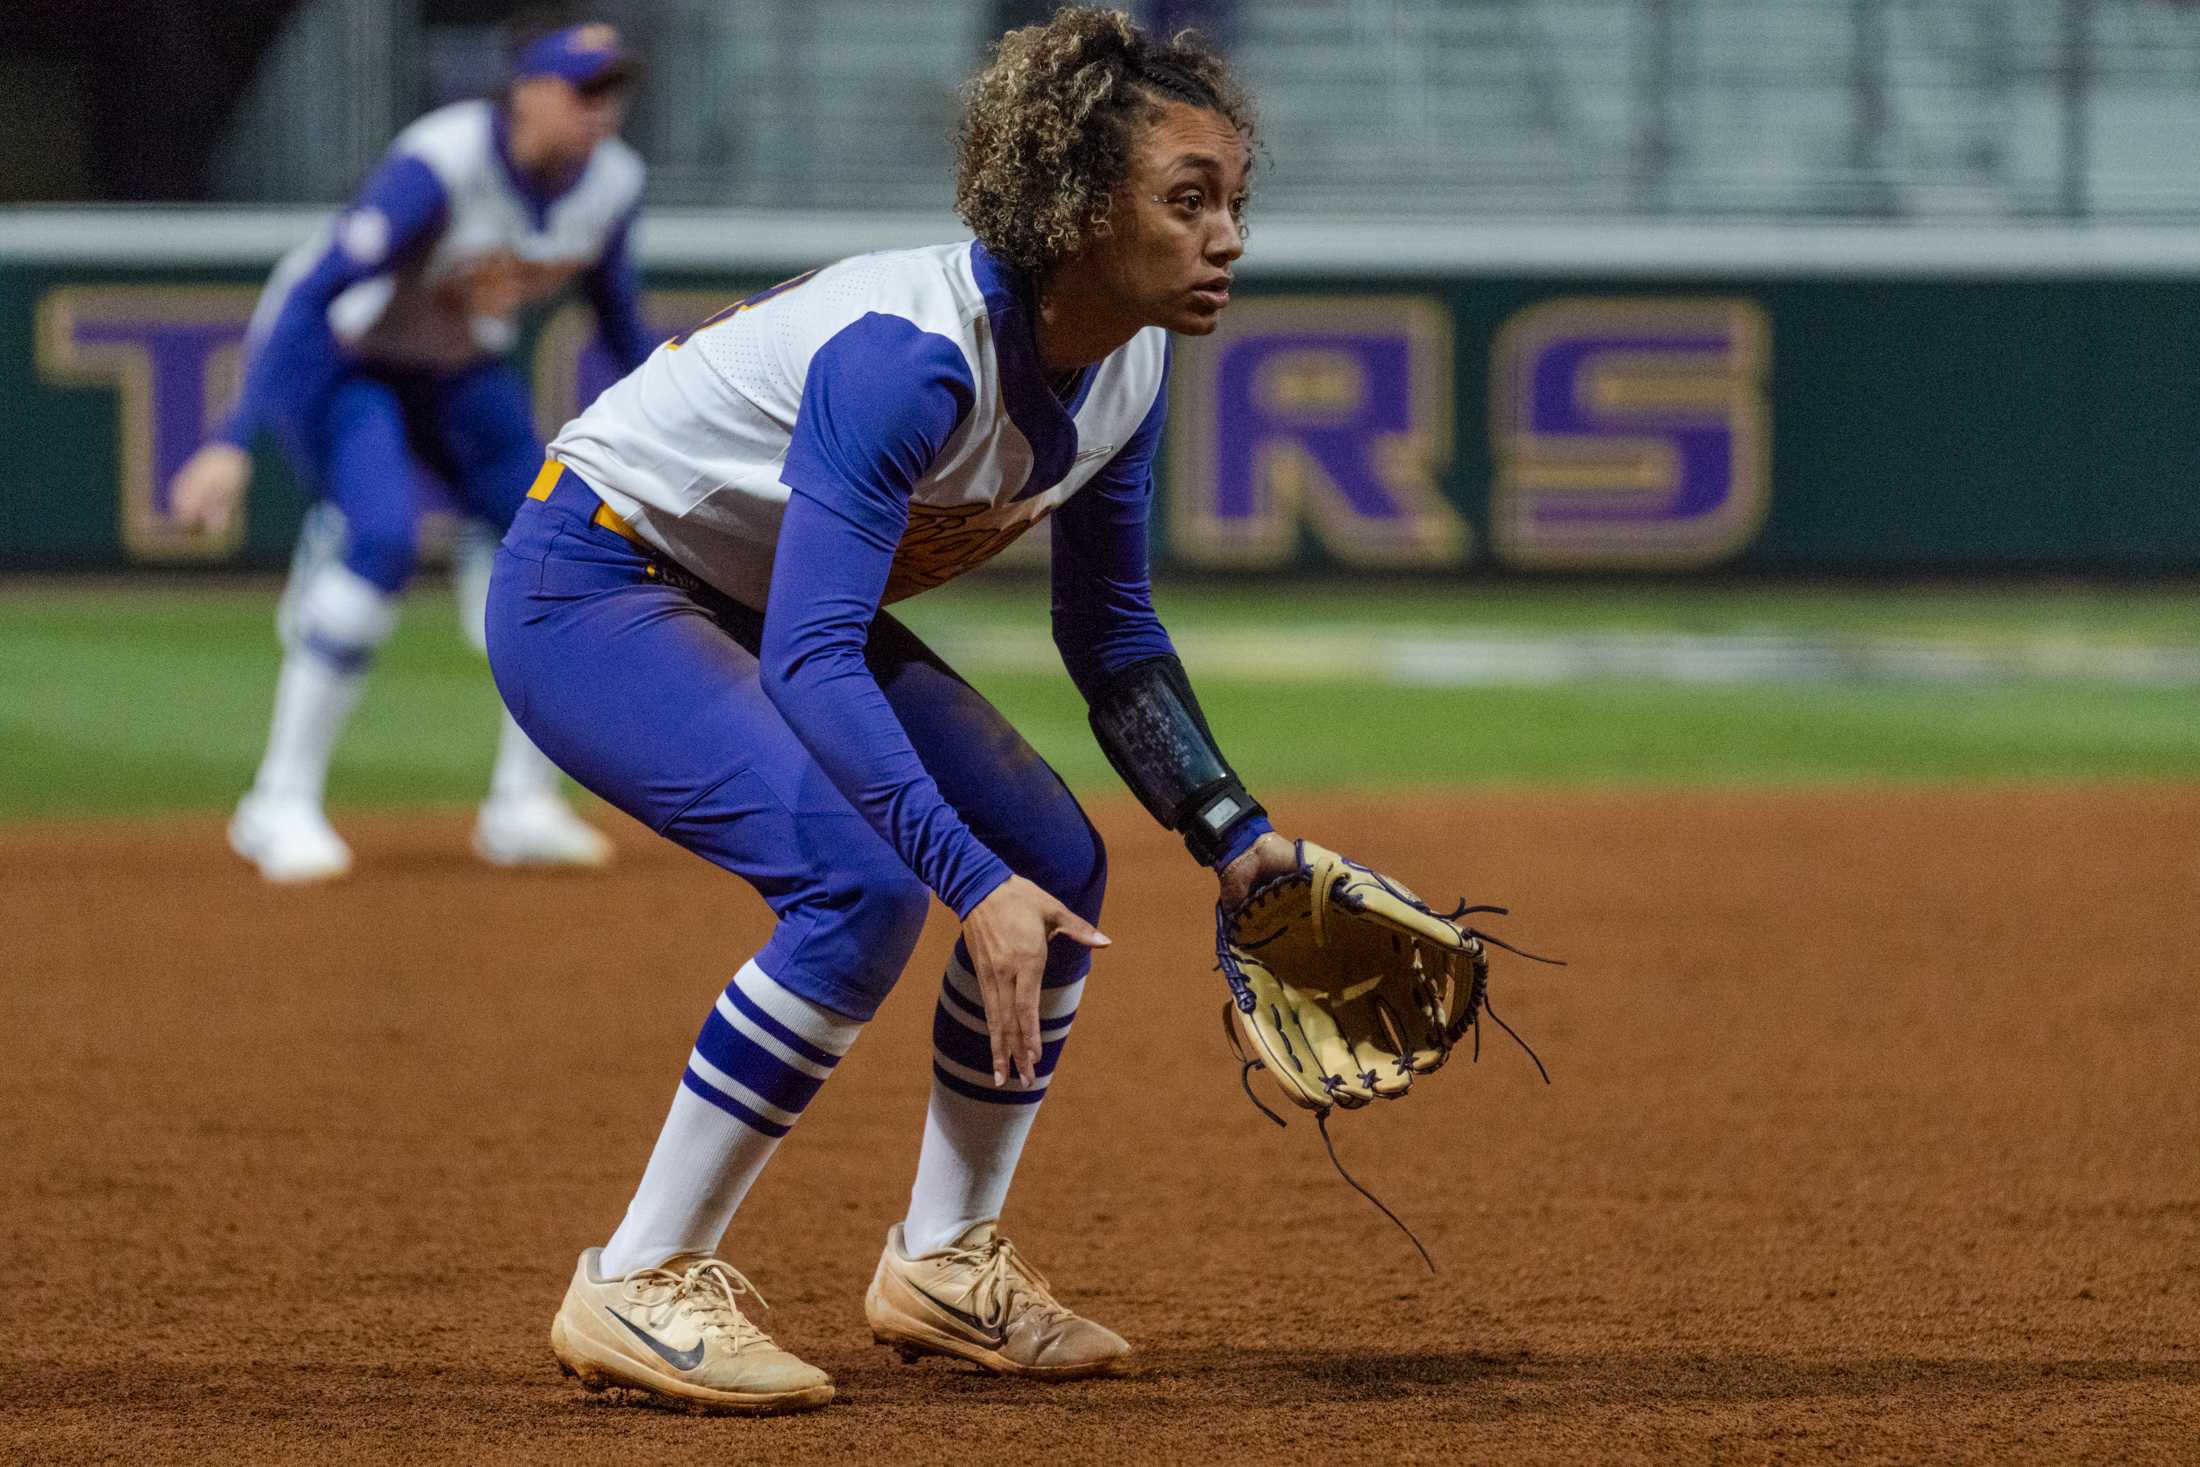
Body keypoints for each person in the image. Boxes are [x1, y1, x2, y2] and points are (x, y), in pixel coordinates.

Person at [489, 8, 1296, 1414]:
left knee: (1061, 858)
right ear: (1075, 206)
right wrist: (963, 878)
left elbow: (1109, 631)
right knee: (857, 887)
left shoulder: (1131, 362)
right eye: (1188, 199)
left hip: (746, 592)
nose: (1226, 234)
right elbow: (812, 657)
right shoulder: (911, 357)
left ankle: (944, 1258)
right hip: (595, 579)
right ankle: (638, 1272)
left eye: (1233, 199)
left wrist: (1233, 827)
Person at [168, 18, 652, 882]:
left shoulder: (611, 183)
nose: (603, 111)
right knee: (384, 537)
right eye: (585, 90)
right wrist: (231, 439)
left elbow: (617, 320)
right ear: (527, 92)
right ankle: (275, 803)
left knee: (572, 555)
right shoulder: (441, 163)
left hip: (458, 373)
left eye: (615, 92)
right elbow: (313, 293)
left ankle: (521, 807)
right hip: (347, 361)